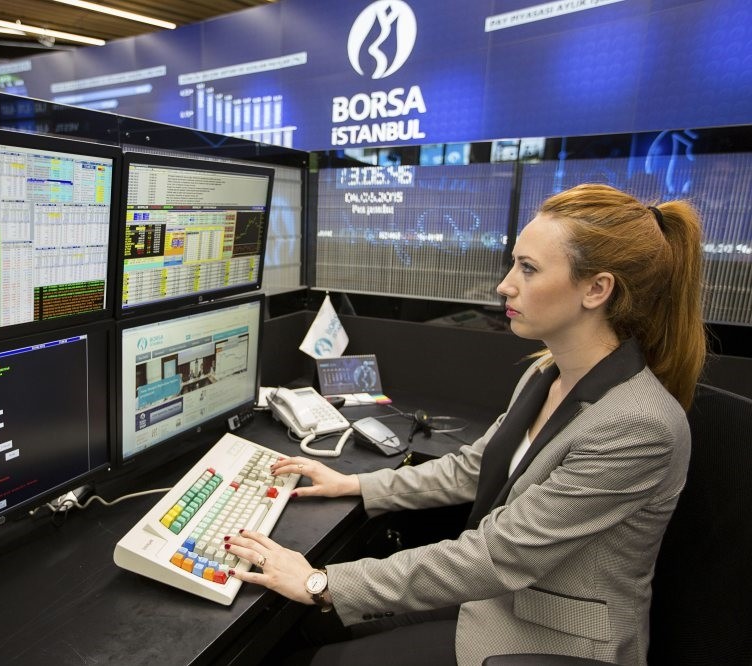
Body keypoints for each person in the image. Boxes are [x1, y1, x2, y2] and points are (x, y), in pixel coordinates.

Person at [225, 183, 706, 665]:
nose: (505, 284)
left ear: (597, 289)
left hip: (545, 638)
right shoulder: (548, 372)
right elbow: (473, 467)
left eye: (529, 268)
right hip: (496, 598)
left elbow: (499, 556)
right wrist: (354, 482)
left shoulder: (638, 426)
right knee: (309, 628)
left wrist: (319, 581)